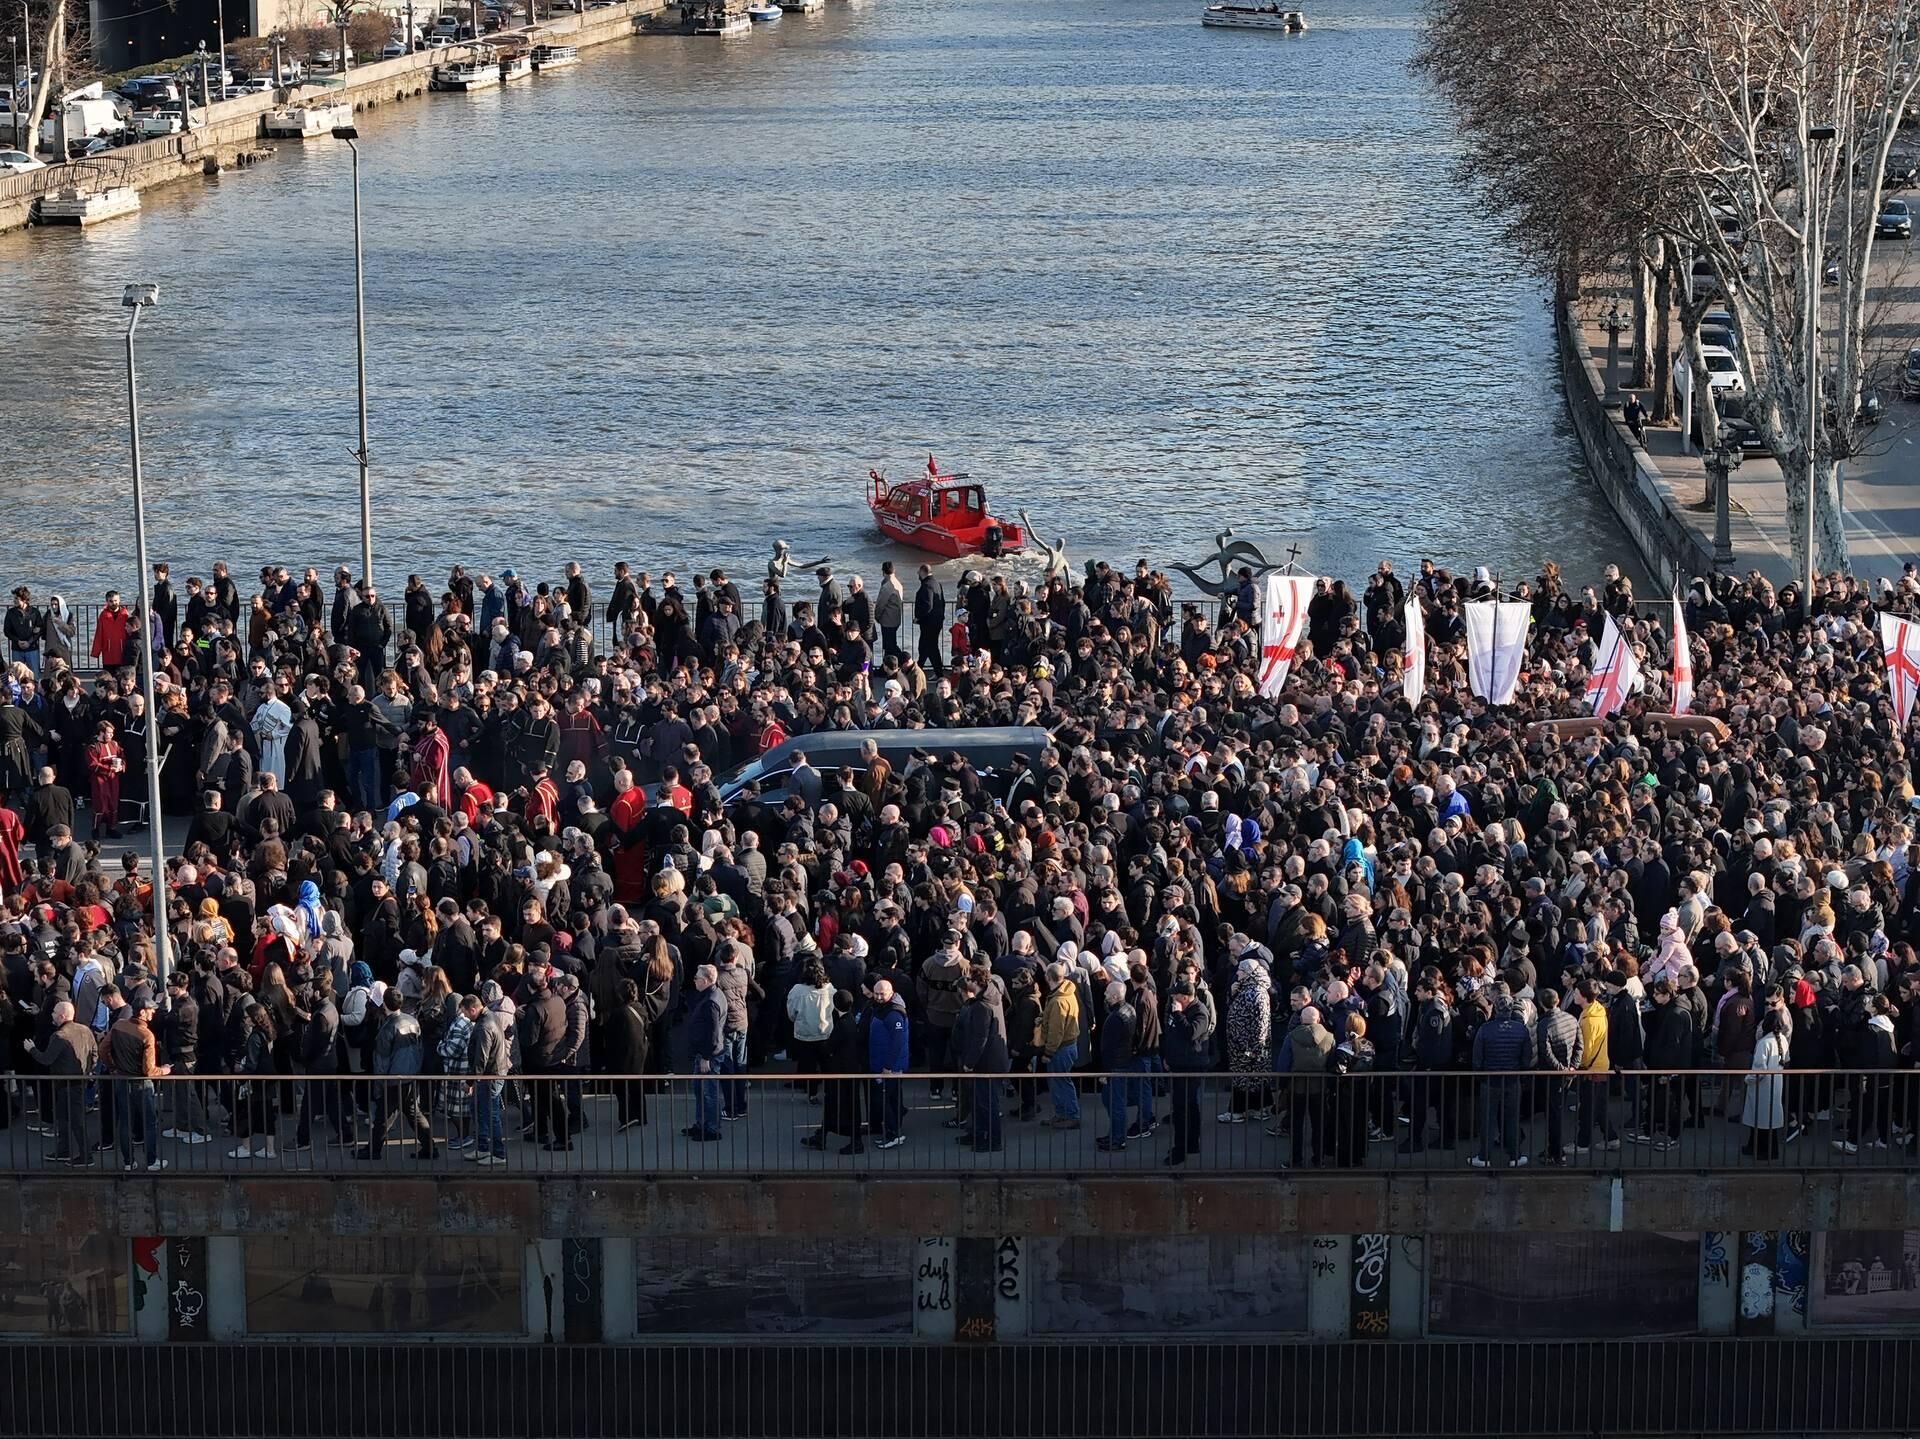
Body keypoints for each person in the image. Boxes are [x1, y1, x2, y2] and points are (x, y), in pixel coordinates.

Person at [26, 999, 95, 1164]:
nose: (52, 1015)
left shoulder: (59, 1036)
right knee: (64, 1119)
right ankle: (64, 1150)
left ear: (62, 1016)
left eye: (54, 1012)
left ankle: (86, 1156)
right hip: (78, 1082)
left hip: (65, 1083)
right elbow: (94, 1052)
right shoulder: (85, 1030)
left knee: (75, 1121)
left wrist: (31, 1049)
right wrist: (88, 1070)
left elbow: (46, 1059)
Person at [950, 965, 1008, 1152]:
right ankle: (978, 1133)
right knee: (980, 1102)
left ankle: (991, 1140)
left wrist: (969, 1063)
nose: (967, 982)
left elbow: (979, 1038)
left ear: (976, 982)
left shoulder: (982, 1006)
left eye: (969, 979)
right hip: (992, 1060)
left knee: (986, 1103)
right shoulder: (991, 998)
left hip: (986, 1063)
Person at [1161, 980, 1214, 1167]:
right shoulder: (1179, 1011)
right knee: (1187, 1107)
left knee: (1183, 1109)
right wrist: (1168, 1057)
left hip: (1190, 1067)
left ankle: (1181, 1149)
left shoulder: (1200, 1012)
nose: (1172, 998)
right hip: (1179, 1064)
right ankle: (1191, 1144)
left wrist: (1178, 1014)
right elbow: (1171, 1034)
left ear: (1184, 997)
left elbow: (1190, 1033)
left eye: (1176, 995)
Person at [678, 963, 727, 1143]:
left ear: (705, 981)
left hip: (708, 1055)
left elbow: (713, 1033)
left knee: (708, 1092)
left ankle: (711, 1128)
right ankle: (702, 1124)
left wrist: (706, 1057)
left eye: (697, 978)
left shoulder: (711, 1001)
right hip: (705, 1052)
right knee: (700, 1090)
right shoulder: (713, 995)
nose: (694, 981)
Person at [866, 976, 909, 1151]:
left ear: (891, 993)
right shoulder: (884, 1009)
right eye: (876, 993)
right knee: (891, 1099)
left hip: (889, 1067)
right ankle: (894, 1131)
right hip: (885, 1064)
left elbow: (897, 1043)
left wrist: (888, 1067)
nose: (878, 997)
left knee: (884, 1100)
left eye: (882, 994)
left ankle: (893, 1134)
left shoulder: (893, 1014)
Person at [1039, 960, 1081, 1130]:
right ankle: (1062, 1114)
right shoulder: (1067, 993)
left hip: (1061, 1048)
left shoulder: (1058, 1001)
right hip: (1068, 1045)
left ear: (1049, 977)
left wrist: (1048, 1052)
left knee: (1061, 1082)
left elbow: (1056, 1031)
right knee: (1059, 1082)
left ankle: (1071, 1115)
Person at [1744, 1006, 1789, 1160]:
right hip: (1776, 1083)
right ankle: (1762, 1148)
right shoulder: (1782, 1039)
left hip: (1762, 1086)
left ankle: (1762, 1150)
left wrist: (1748, 1079)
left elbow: (1759, 1069)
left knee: (1760, 1119)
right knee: (1769, 1120)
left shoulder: (1764, 1042)